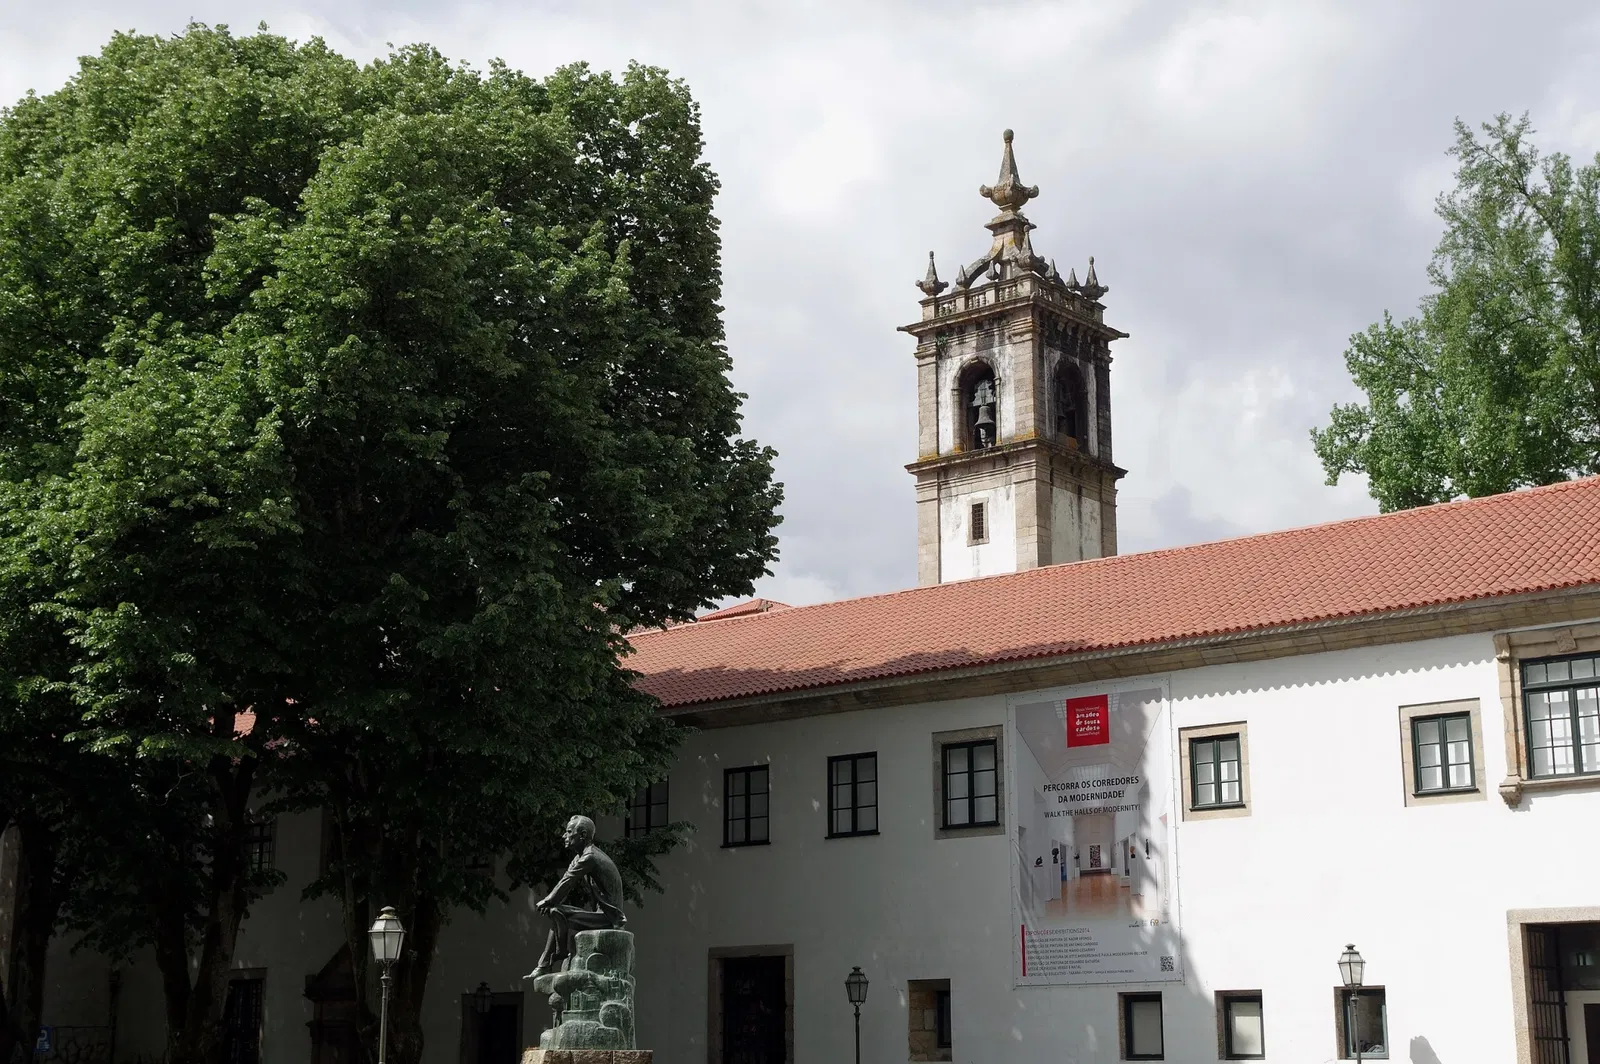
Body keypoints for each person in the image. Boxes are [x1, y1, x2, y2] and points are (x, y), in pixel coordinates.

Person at [524, 815, 626, 980]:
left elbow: (568, 882)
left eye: (569, 832)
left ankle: (552, 959)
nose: (564, 836)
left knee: (557, 911)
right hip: (600, 914)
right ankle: (550, 960)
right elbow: (565, 880)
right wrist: (551, 902)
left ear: (583, 835)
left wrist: (548, 901)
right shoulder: (579, 857)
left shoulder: (590, 857)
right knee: (556, 911)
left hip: (609, 917)